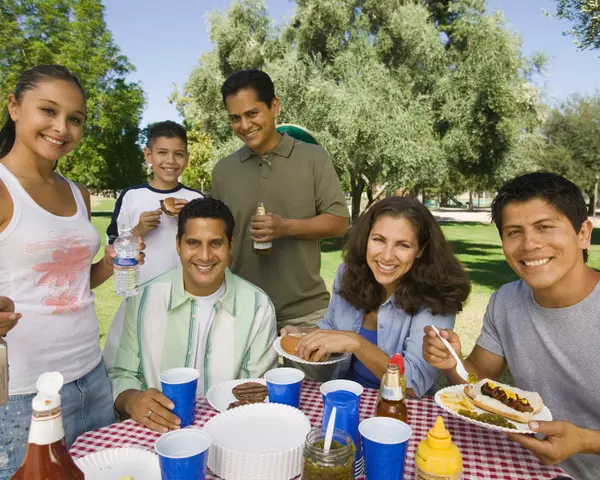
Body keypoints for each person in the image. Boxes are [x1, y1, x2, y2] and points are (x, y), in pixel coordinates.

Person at [0, 64, 144, 479]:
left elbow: (75, 281)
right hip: (26, 393)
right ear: (14, 107)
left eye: (74, 119)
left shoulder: (77, 192)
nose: (61, 128)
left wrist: (111, 264)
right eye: (48, 111)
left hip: (91, 376)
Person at [422, 172, 600, 479]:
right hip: (526, 466)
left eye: (545, 227)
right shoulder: (506, 300)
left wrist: (585, 440)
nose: (529, 244)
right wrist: (453, 361)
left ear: (583, 233)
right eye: (514, 232)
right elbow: (478, 378)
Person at [104, 197, 278, 433]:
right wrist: (133, 400)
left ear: (231, 244)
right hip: (153, 434)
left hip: (229, 432)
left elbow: (254, 389)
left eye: (215, 243)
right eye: (193, 243)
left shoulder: (258, 306)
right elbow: (119, 373)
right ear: (178, 244)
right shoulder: (141, 300)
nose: (204, 256)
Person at [282, 196, 470, 396]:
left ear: (420, 250)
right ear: (366, 239)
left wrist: (357, 343)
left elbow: (415, 383)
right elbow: (331, 326)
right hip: (345, 396)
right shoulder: (348, 273)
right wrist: (302, 333)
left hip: (398, 409)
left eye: (403, 245)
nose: (387, 256)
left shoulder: (437, 294)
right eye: (379, 240)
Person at [211, 69, 349, 330]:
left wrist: (286, 228)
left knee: (314, 374)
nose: (244, 125)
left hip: (306, 310)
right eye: (235, 118)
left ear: (274, 106)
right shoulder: (223, 171)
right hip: (241, 311)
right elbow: (217, 239)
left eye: (252, 113)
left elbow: (339, 222)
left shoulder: (314, 158)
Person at [106, 120, 203, 284]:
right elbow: (113, 249)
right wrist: (138, 230)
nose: (170, 160)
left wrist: (192, 218)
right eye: (162, 152)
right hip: (141, 289)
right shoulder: (131, 196)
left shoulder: (196, 199)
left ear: (186, 158)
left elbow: (208, 243)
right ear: (148, 155)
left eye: (178, 154)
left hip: (187, 290)